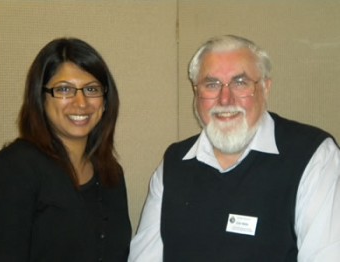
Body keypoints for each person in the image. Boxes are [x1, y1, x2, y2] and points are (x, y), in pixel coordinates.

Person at [128, 35, 340, 262]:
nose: (225, 99)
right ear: (196, 92)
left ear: (265, 88)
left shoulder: (313, 156)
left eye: (240, 83)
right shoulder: (174, 163)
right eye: (212, 84)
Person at [0, 37, 131, 261]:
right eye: (64, 89)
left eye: (92, 89)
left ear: (105, 101)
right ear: (40, 97)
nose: (81, 102)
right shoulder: (13, 170)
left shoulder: (111, 174)